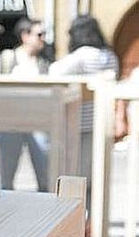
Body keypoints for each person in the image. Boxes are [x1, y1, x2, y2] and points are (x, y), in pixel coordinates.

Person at [50, 15, 121, 219]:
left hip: (79, 123)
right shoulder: (109, 56)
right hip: (102, 122)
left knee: (75, 174)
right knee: (95, 175)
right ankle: (93, 220)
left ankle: (77, 219)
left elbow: (55, 72)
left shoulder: (83, 55)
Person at [0, 18, 50, 191]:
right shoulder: (6, 58)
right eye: (39, 34)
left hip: (37, 122)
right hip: (10, 122)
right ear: (25, 36)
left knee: (45, 174)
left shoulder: (43, 62)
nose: (43, 39)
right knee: (6, 178)